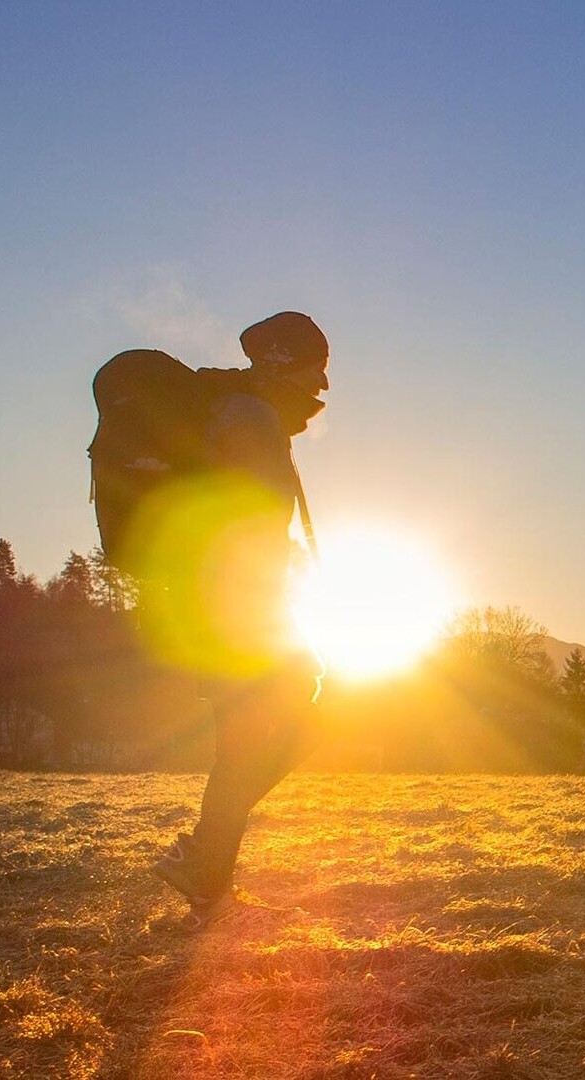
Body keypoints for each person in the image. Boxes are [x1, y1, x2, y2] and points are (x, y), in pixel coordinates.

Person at [149, 311, 330, 926]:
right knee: (284, 722)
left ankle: (208, 880)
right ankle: (204, 866)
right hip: (233, 611)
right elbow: (244, 520)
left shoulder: (245, 413)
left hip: (227, 607)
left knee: (250, 741)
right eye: (314, 371)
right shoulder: (248, 419)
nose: (322, 387)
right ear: (281, 364)